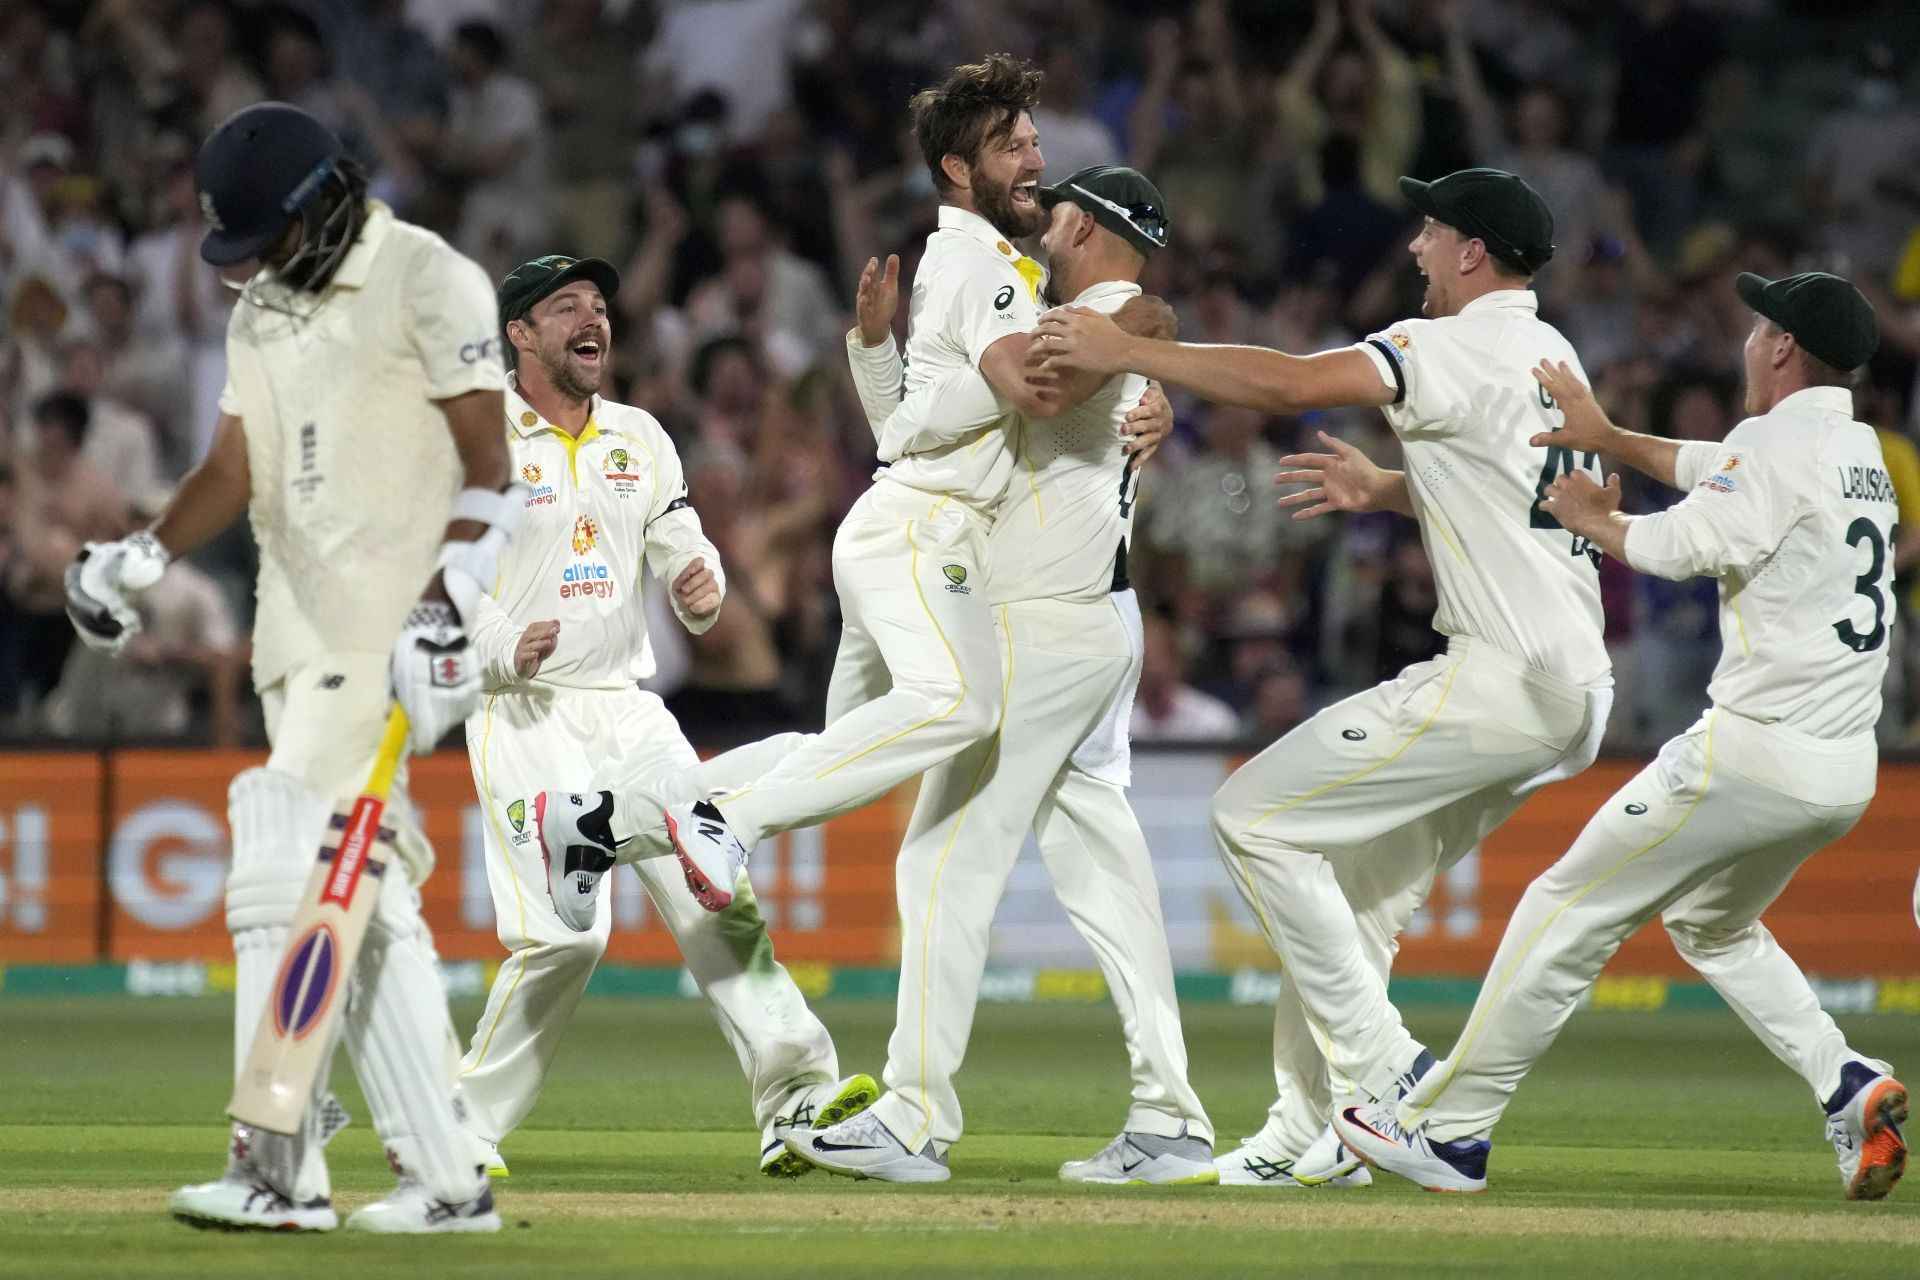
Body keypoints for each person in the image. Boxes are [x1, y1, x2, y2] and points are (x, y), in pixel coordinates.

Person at [1038, 167, 1612, 1188]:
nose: (1415, 248)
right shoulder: (1549, 349)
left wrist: (1130, 349)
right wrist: (1392, 488)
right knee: (1356, 896)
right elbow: (1534, 495)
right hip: (1572, 689)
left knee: (1254, 815)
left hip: (1502, 676)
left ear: (1473, 251)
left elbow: (1296, 384)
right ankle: (1312, 1128)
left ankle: (1390, 1074)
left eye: (1431, 231)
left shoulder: (1443, 341)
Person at [541, 56, 1163, 926]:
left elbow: (910, 428)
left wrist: (875, 351)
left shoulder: (984, 271)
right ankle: (727, 819)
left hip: (903, 526)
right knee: (960, 706)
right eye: (1011, 145)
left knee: (837, 760)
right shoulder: (984, 268)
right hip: (925, 538)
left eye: (1033, 140)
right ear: (957, 168)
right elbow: (1038, 391)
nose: (1033, 160)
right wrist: (1146, 334)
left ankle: (600, 822)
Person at [1339, 271, 1909, 1201]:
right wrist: (1606, 438)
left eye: (1756, 327)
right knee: (1710, 925)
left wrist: (1598, 522)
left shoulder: (1768, 444)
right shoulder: (1862, 452)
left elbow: (1685, 546)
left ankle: (1451, 1134)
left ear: (1779, 349)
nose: (1745, 342)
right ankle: (1846, 1081)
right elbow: (1713, 467)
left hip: (1753, 753)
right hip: (1845, 770)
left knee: (1564, 909)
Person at [63, 103, 521, 1233]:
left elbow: (492, 465)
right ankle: (448, 1180)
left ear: (322, 200)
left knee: (279, 842)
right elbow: (236, 462)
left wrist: (445, 604)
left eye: (266, 235)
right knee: (370, 908)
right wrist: (144, 552)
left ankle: (274, 1165)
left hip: (394, 634)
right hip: (296, 640)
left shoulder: (427, 275)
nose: (252, 264)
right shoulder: (263, 308)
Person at [784, 167, 1210, 1183]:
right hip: (1092, 619)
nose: (1045, 220)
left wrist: (1155, 353)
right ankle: (1172, 1117)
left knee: (940, 860)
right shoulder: (1075, 317)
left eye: (1062, 211)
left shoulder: (1108, 312)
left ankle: (914, 1116)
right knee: (1107, 874)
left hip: (1041, 623)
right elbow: (914, 433)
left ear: (1085, 225)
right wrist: (881, 349)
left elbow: (1117, 328)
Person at [458, 253, 876, 1178]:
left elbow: (684, 551)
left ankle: (797, 1100)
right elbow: (442, 575)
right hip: (524, 712)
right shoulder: (479, 435)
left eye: (600, 304)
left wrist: (701, 583)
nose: (591, 319)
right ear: (521, 334)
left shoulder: (639, 436)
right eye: (566, 306)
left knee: (714, 887)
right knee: (570, 938)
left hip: (627, 705)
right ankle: (456, 1132)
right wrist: (499, 643)